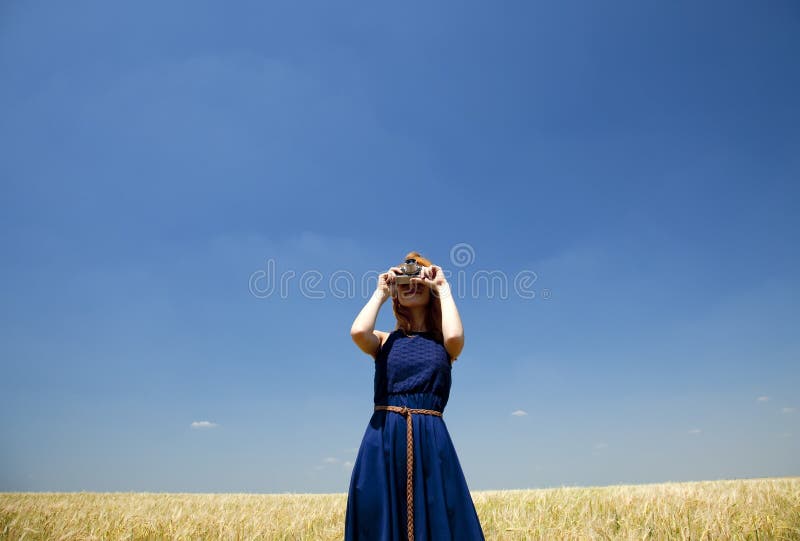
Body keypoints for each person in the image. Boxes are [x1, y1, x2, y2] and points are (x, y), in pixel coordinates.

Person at [345, 251, 485, 541]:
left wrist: (443, 287)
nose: (410, 285)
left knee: (439, 514)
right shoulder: (384, 340)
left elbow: (456, 339)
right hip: (384, 434)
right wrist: (381, 292)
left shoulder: (442, 342)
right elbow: (358, 331)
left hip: (430, 435)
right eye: (404, 282)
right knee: (379, 515)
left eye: (418, 281)